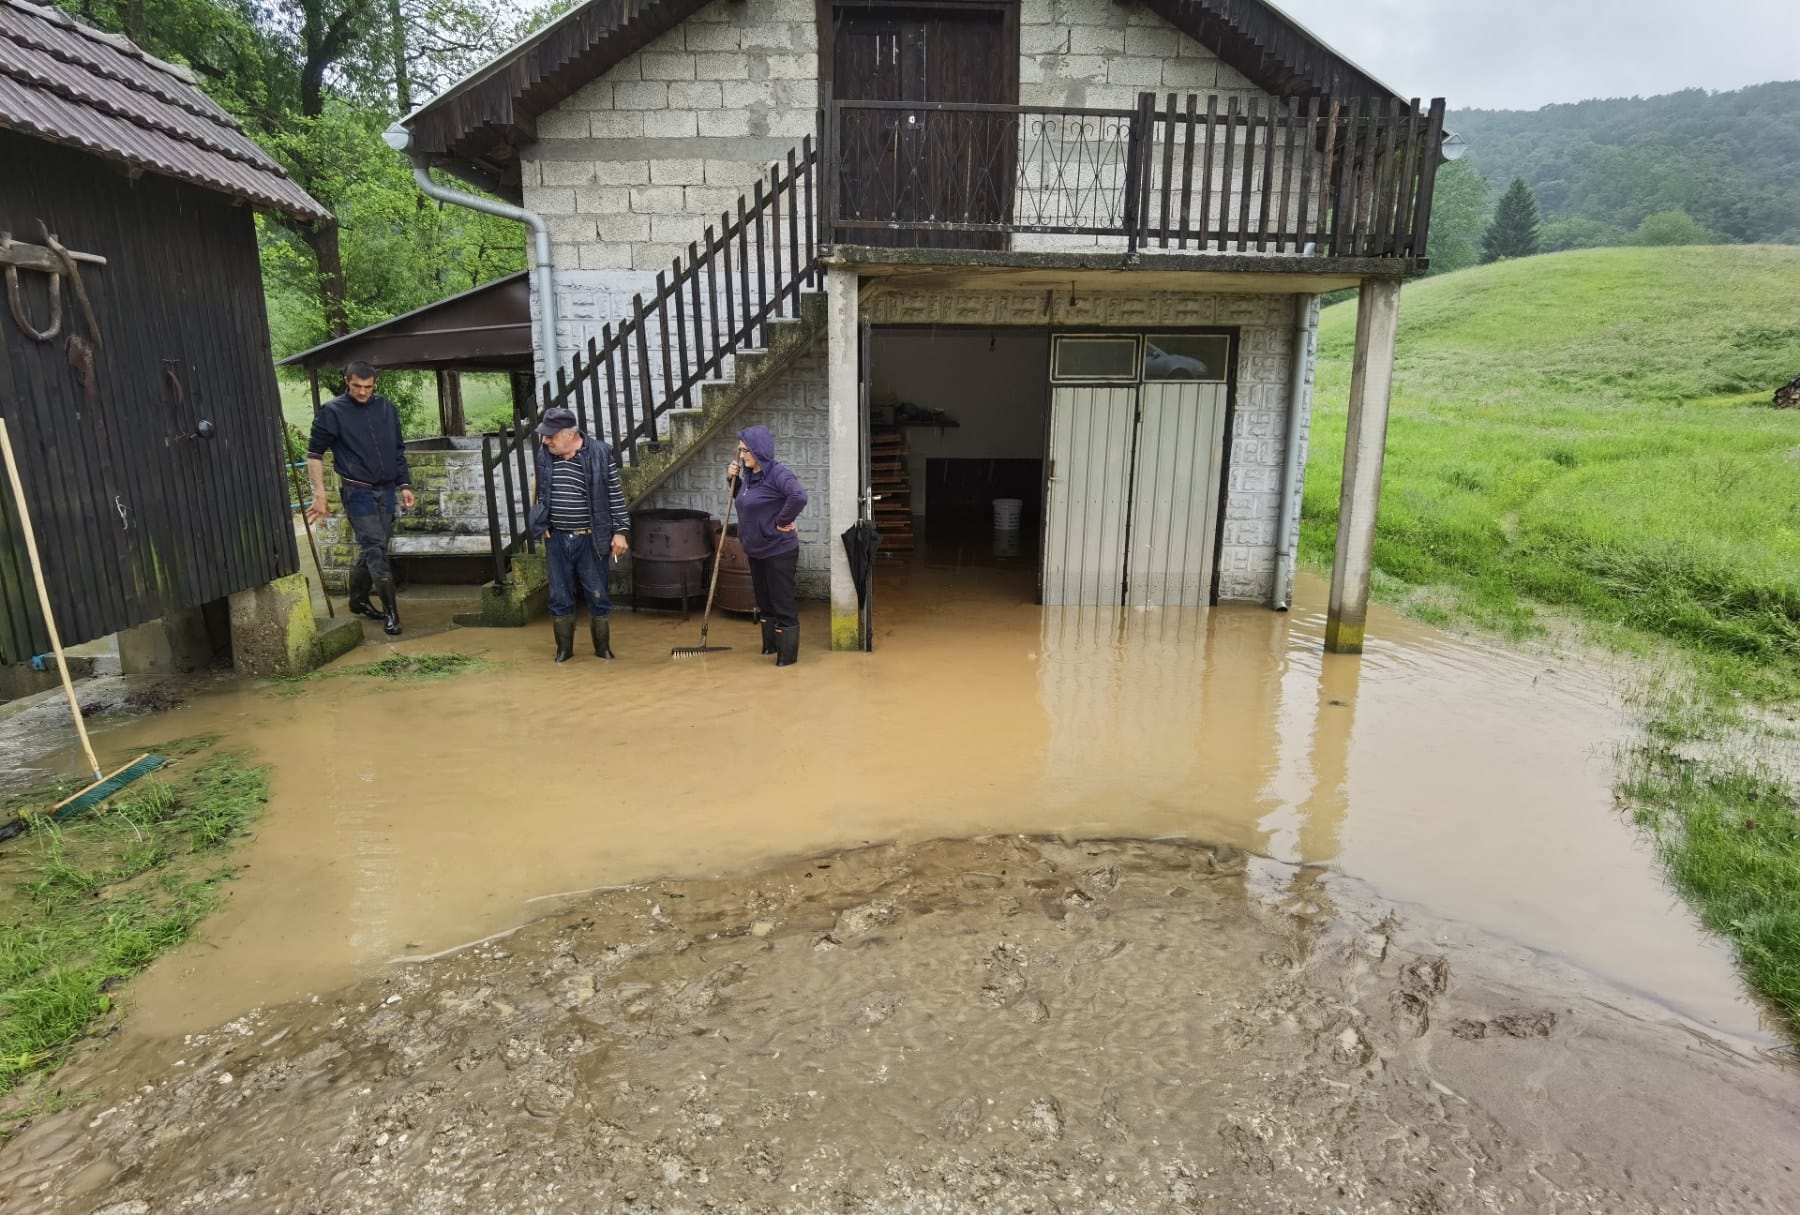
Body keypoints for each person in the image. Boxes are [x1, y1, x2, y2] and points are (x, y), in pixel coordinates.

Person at [305, 361, 412, 635]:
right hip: (357, 491)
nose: (362, 392)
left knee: (374, 546)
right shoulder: (332, 412)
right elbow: (314, 454)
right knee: (376, 547)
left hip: (387, 489)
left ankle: (357, 600)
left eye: (367, 386)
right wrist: (320, 494)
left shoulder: (387, 408)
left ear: (375, 383)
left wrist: (405, 484)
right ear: (347, 381)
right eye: (356, 386)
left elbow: (398, 449)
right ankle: (392, 614)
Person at [529, 407, 630, 662]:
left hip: (591, 538)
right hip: (557, 538)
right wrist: (541, 523)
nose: (546, 440)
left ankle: (602, 649)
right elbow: (541, 493)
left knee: (598, 593)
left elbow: (615, 496)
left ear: (571, 434)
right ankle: (564, 650)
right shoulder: (546, 455)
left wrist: (620, 531)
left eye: (551, 435)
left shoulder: (600, 453)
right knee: (559, 596)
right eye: (545, 435)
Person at [727, 425, 808, 666]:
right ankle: (770, 647)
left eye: (745, 451)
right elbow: (745, 502)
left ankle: (788, 658)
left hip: (779, 551)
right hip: (756, 550)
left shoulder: (778, 474)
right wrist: (733, 479)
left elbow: (799, 496)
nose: (742, 456)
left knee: (781, 603)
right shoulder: (750, 478)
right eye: (740, 451)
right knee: (764, 602)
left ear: (758, 450)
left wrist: (783, 521)